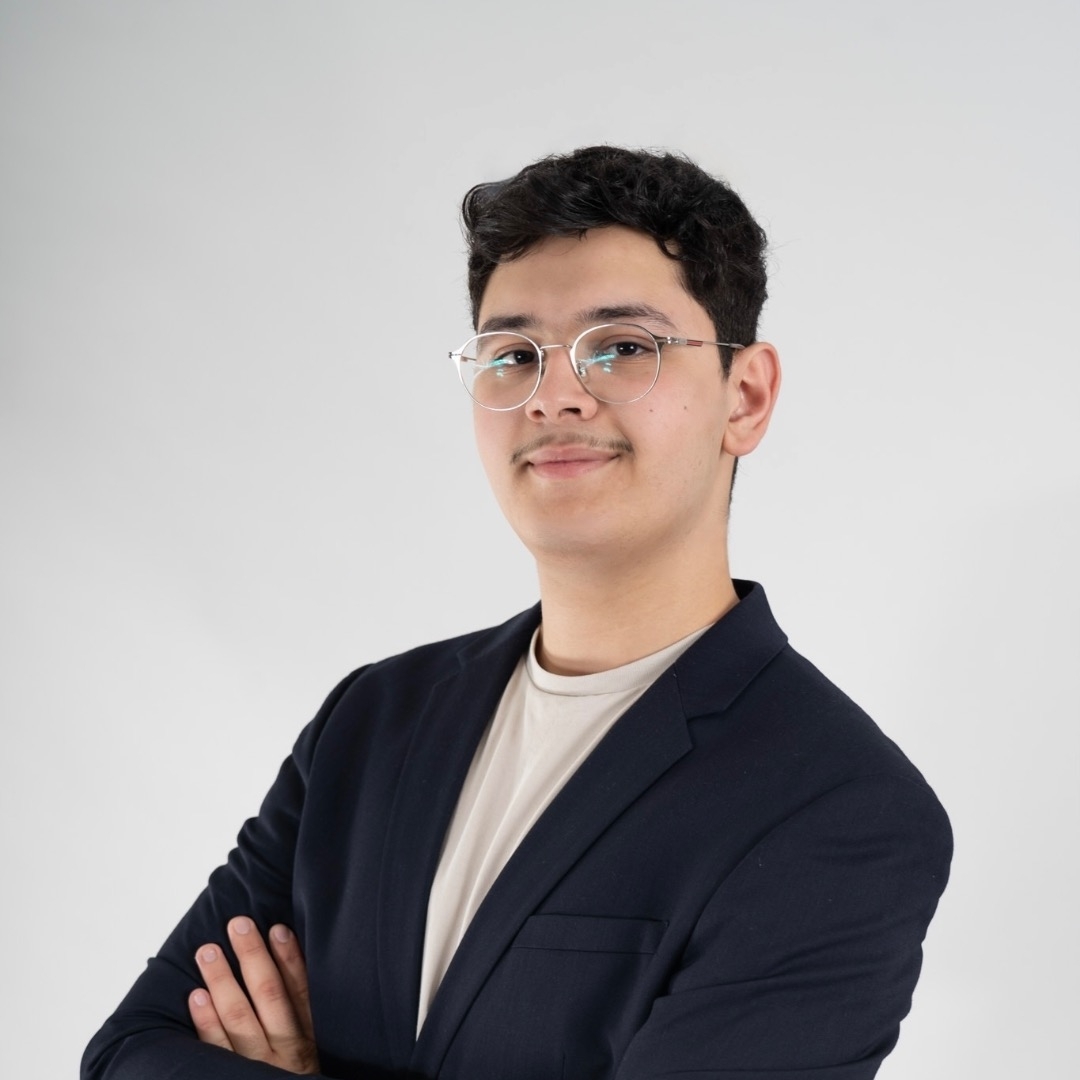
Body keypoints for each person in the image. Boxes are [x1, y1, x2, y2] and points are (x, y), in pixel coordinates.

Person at [82, 145, 952, 1080]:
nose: (555, 396)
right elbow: (130, 1055)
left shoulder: (840, 809)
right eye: (513, 356)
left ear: (745, 397)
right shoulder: (371, 723)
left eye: (623, 347)